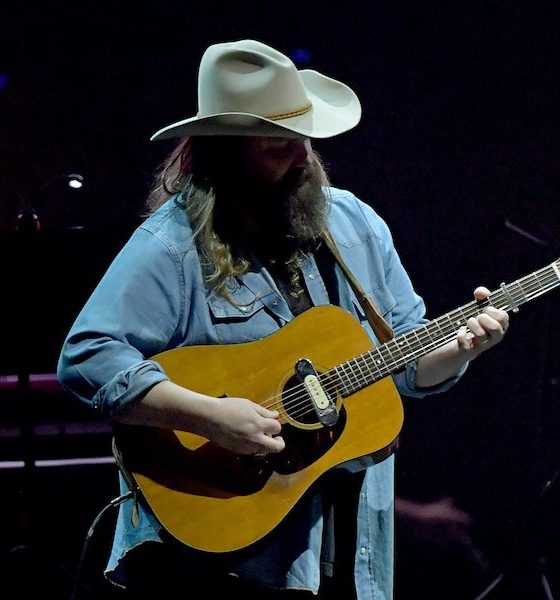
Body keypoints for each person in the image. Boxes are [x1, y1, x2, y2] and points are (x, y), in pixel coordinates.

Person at [57, 39, 509, 599]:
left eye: (304, 140)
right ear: (224, 153)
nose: (301, 159)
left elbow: (405, 367)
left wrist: (459, 351)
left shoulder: (354, 223)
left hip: (352, 549)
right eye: (277, 146)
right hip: (227, 560)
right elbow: (87, 356)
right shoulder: (172, 245)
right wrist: (208, 417)